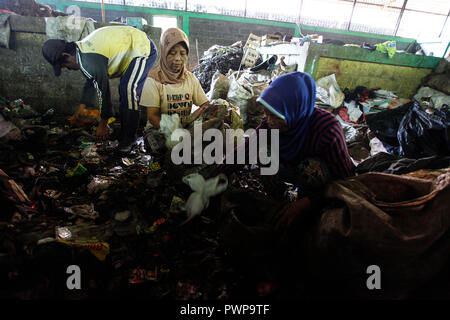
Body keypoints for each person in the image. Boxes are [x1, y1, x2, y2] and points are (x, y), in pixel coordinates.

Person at [41, 25, 158, 153]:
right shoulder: (81, 52)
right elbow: (90, 81)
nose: (68, 68)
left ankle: (128, 140)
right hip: (132, 48)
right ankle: (124, 134)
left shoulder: (88, 59)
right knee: (125, 88)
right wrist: (81, 107)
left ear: (66, 55)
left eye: (64, 65)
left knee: (129, 89)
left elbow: (104, 91)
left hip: (142, 48)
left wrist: (103, 124)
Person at [140, 28, 209, 129]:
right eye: (172, 53)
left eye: (182, 53)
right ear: (164, 53)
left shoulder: (190, 78)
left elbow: (205, 104)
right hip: (160, 130)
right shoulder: (153, 80)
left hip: (184, 129)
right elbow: (152, 116)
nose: (178, 58)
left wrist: (219, 107)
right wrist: (173, 132)